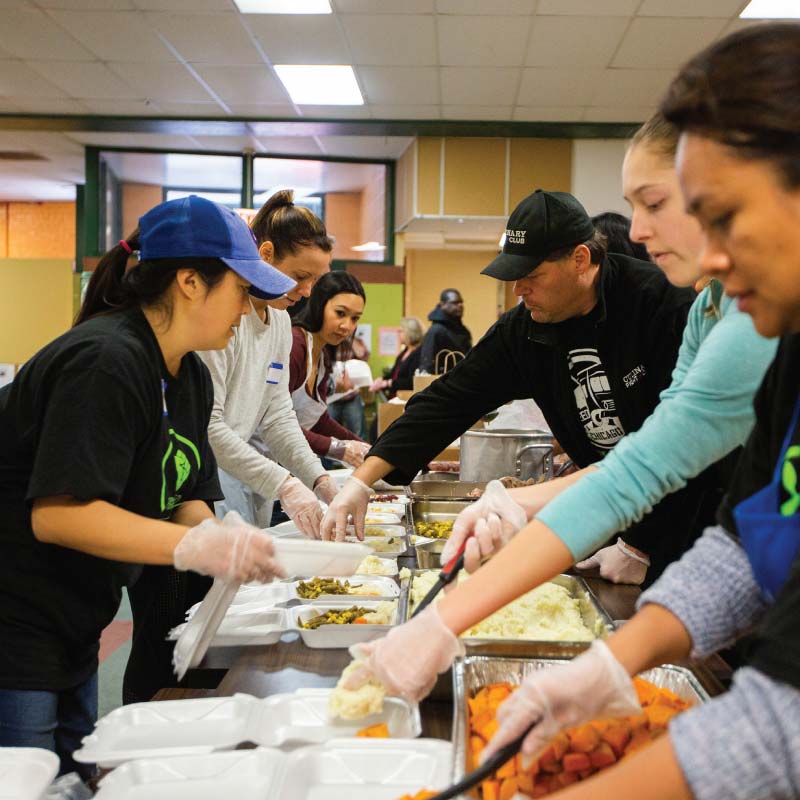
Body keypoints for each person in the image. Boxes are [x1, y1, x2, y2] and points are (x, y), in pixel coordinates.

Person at [472, 23, 800, 800]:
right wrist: (612, 661)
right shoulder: (783, 337)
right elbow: (743, 541)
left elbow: (779, 728)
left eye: (722, 215)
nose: (711, 261)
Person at [0, 196, 288, 776]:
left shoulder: (187, 376)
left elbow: (185, 493)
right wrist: (191, 548)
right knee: (30, 778)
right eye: (241, 290)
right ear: (189, 282)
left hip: (77, 615)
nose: (248, 310)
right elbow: (59, 515)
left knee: (73, 778)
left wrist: (225, 542)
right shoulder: (106, 361)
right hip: (16, 618)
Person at [440, 113, 776, 584]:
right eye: (633, 207)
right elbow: (651, 459)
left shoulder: (716, 312)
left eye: (655, 203)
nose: (636, 230)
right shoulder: (711, 309)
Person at [324, 190, 715, 580]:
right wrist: (361, 481)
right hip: (607, 511)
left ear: (580, 259)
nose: (518, 289)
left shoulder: (663, 304)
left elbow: (689, 446)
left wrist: (640, 545)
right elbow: (446, 401)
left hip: (694, 526)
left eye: (531, 276)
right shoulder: (525, 328)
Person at [197, 190, 337, 535]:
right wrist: (284, 483)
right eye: (300, 276)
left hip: (246, 474)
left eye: (314, 281)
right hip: (205, 480)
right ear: (266, 253)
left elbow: (277, 415)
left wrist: (317, 477)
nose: (306, 291)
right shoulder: (223, 321)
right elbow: (209, 425)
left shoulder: (280, 322)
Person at [289, 272, 371, 468]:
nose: (347, 326)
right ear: (319, 304)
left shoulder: (323, 357)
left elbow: (317, 420)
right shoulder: (295, 346)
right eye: (340, 313)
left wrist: (368, 448)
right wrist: (336, 448)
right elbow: (275, 424)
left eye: (355, 318)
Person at [418, 288, 472, 374]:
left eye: (461, 302)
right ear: (442, 304)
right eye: (455, 303)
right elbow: (427, 364)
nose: (460, 305)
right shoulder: (436, 331)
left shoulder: (463, 331)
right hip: (442, 382)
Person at [370, 316, 424, 400]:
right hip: (395, 397)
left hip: (407, 399)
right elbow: (394, 374)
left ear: (411, 332)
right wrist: (382, 379)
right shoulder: (404, 352)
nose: (397, 333)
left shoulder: (419, 354)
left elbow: (412, 382)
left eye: (401, 331)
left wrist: (388, 383)